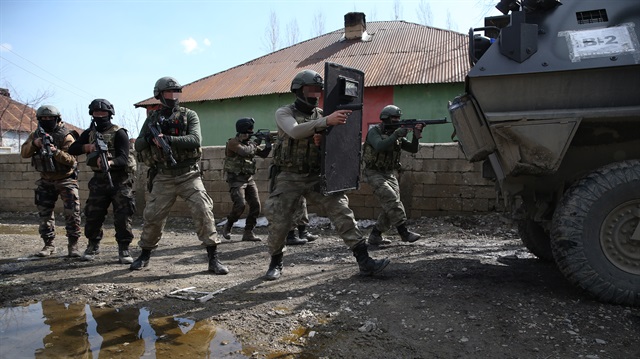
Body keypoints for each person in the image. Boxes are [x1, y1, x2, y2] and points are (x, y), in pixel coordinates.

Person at [263, 69, 390, 280]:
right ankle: (276, 262)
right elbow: (295, 131)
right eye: (310, 89)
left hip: (316, 176)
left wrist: (323, 141)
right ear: (298, 90)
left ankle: (364, 261)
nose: (314, 94)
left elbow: (336, 144)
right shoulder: (285, 112)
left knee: (342, 211)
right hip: (289, 175)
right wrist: (325, 124)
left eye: (317, 90)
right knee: (280, 221)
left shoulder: (322, 114)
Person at [130, 76, 228, 274]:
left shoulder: (189, 115)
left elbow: (194, 139)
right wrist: (150, 137)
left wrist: (168, 139)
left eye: (176, 93)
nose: (173, 97)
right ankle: (144, 255)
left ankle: (213, 258)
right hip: (163, 176)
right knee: (152, 217)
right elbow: (138, 145)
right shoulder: (152, 119)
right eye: (168, 93)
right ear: (159, 95)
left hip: (188, 174)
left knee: (203, 210)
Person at [68, 99, 137, 263]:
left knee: (123, 216)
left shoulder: (119, 132)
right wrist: (88, 147)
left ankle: (124, 249)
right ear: (91, 114)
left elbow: (123, 157)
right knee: (93, 214)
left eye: (103, 113)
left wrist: (110, 162)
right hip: (99, 180)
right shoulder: (89, 134)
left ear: (110, 114)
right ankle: (93, 245)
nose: (100, 116)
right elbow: (72, 149)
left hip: (120, 180)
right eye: (96, 113)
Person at [20, 105, 81, 257]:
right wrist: (35, 144)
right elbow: (24, 153)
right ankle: (48, 245)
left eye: (50, 119)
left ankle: (73, 245)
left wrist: (56, 152)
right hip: (46, 179)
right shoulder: (36, 135)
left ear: (57, 119)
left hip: (66, 179)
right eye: (43, 119)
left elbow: (72, 160)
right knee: (45, 214)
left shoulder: (66, 136)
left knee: (72, 213)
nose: (47, 121)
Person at [362, 105, 422, 245]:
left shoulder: (397, 134)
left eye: (398, 118)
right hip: (373, 172)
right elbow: (379, 146)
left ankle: (376, 235)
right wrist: (397, 134)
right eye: (394, 118)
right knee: (391, 200)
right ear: (385, 118)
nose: (397, 121)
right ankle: (404, 233)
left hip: (389, 173)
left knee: (390, 205)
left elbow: (413, 149)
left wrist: (416, 135)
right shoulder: (374, 132)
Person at [221, 117, 271, 241]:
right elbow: (244, 152)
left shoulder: (250, 144)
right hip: (236, 179)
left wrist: (268, 143)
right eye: (249, 132)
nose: (250, 135)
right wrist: (256, 143)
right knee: (240, 204)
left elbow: (263, 154)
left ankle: (248, 232)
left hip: (249, 179)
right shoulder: (233, 142)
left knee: (256, 206)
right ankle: (228, 225)